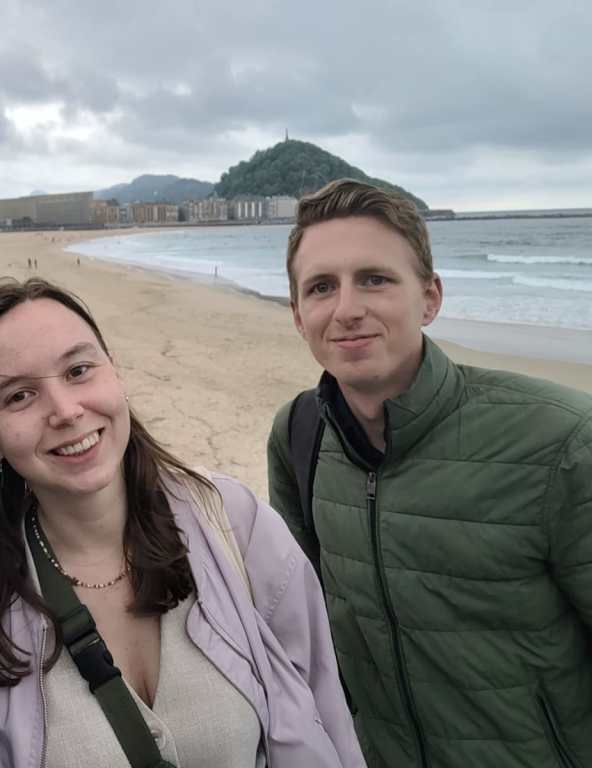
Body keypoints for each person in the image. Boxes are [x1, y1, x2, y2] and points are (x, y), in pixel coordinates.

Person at [0, 277, 365, 768]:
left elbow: (327, 717)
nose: (65, 411)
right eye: (19, 396)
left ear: (117, 374)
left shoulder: (234, 524)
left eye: (79, 370)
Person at [267, 179, 592, 768]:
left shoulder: (561, 439)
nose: (347, 309)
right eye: (321, 287)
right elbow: (307, 628)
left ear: (430, 298)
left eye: (375, 279)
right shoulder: (298, 434)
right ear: (297, 315)